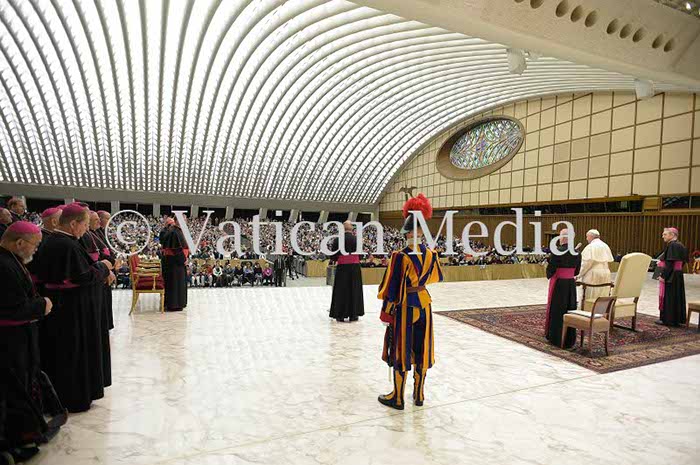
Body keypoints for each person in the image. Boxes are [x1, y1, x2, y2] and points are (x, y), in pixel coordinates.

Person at [34, 203, 114, 413]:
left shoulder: (57, 241)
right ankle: (74, 397)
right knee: (73, 354)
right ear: (72, 224)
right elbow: (81, 276)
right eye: (85, 224)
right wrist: (104, 267)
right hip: (71, 309)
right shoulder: (65, 245)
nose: (86, 229)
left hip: (66, 307)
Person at [0, 222, 62, 463]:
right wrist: (42, 305)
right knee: (14, 389)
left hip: (18, 338)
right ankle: (14, 440)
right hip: (9, 342)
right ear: (19, 243)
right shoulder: (4, 266)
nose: (36, 250)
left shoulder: (11, 260)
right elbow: (12, 309)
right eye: (34, 246)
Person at [377, 194, 443, 410]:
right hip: (425, 305)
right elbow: (436, 277)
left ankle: (398, 397)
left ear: (406, 233)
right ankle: (419, 394)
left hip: (405, 306)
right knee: (422, 349)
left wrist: (386, 313)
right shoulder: (431, 254)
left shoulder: (400, 256)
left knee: (401, 349)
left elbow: (392, 288)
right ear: (422, 232)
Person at [545, 229, 581, 348]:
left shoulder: (557, 251)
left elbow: (551, 269)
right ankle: (569, 339)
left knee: (558, 309)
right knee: (569, 309)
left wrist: (549, 274)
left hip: (559, 285)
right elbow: (577, 271)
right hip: (570, 285)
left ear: (564, 238)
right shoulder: (577, 252)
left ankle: (556, 338)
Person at [329, 221, 365, 323]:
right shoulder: (357, 240)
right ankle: (354, 314)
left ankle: (340, 314)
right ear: (352, 228)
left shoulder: (337, 240)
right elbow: (361, 256)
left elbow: (333, 256)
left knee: (341, 291)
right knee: (354, 290)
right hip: (354, 267)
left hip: (342, 267)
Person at [656, 227, 688, 327]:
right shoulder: (681, 245)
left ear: (672, 235)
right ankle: (676, 319)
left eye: (665, 234)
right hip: (678, 274)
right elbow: (683, 262)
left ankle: (668, 320)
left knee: (669, 297)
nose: (662, 236)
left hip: (671, 275)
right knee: (676, 296)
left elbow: (669, 263)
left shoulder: (672, 245)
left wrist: (663, 276)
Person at [159, 217, 188, 311]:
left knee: (175, 283)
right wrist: (184, 259)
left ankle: (175, 304)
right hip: (175, 263)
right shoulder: (174, 232)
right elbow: (176, 249)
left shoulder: (174, 231)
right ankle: (174, 305)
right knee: (175, 284)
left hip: (172, 262)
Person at [578, 229, 613, 302]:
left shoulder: (590, 247)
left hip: (593, 275)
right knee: (602, 294)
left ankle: (589, 307)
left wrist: (578, 275)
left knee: (591, 296)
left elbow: (586, 264)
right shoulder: (605, 245)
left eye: (587, 237)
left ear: (591, 237)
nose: (586, 239)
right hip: (606, 273)